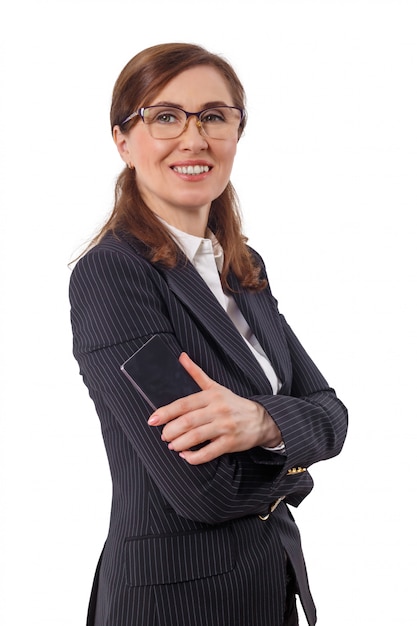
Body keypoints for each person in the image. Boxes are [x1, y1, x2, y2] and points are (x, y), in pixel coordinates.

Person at [69, 42, 348, 626]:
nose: (193, 139)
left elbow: (332, 414)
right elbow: (203, 491)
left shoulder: (242, 267)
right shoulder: (115, 274)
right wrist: (294, 470)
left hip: (268, 588)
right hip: (175, 603)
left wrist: (264, 423)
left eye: (214, 117)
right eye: (165, 116)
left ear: (236, 134)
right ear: (123, 140)